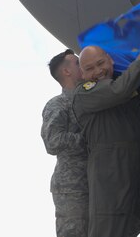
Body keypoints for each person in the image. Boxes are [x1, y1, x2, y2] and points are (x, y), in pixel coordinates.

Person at [72, 42, 140, 237]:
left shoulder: (127, 82)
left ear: (111, 60)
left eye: (101, 63)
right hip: (110, 178)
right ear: (82, 74)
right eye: (89, 68)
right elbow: (117, 92)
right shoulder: (85, 92)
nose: (98, 71)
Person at [42, 49, 89, 237]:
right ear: (66, 72)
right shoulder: (58, 104)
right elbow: (52, 142)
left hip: (93, 182)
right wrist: (90, 139)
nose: (83, 65)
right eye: (78, 63)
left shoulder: (90, 100)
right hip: (72, 188)